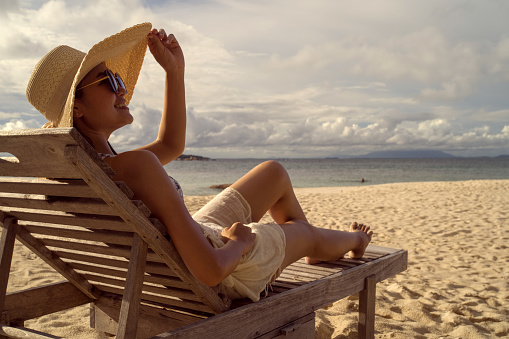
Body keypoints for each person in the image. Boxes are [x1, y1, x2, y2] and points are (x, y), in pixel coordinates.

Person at [25, 23, 373, 302]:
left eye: (119, 79)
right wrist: (239, 242)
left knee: (273, 173)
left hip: (182, 253)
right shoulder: (131, 168)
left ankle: (297, 249)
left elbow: (171, 144)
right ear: (78, 108)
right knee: (303, 232)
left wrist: (174, 72)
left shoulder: (98, 170)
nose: (123, 90)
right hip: (221, 268)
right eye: (110, 81)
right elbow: (209, 272)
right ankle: (347, 242)